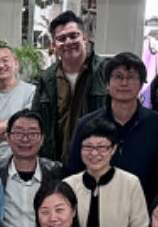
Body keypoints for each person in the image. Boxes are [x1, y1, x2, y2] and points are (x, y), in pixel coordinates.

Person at [64, 52, 158, 201]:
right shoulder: (86, 124)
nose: (124, 83)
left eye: (131, 77)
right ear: (107, 83)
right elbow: (74, 172)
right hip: (96, 205)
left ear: (141, 84)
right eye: (118, 77)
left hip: (144, 207)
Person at [65, 117, 147, 227]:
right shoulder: (68, 185)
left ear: (113, 149)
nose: (94, 153)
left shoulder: (130, 183)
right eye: (88, 147)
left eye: (101, 147)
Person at [35, 11, 108, 163]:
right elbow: (37, 122)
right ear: (54, 44)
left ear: (85, 38)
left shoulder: (104, 72)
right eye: (61, 38)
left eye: (73, 36)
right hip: (57, 162)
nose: (68, 42)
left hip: (98, 161)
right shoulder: (47, 79)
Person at [0, 109, 61, 227]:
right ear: (7, 137)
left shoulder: (57, 173)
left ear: (42, 138)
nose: (25, 139)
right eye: (18, 133)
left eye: (33, 133)